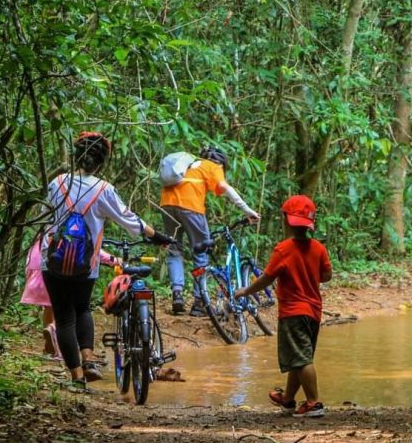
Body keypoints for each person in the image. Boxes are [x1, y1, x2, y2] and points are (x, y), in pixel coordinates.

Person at [43, 132, 175, 388]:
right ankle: (89, 358)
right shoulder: (103, 190)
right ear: (102, 162)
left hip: (53, 263)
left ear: (75, 157)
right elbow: (130, 220)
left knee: (64, 317)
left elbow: (43, 220)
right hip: (85, 266)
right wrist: (158, 236)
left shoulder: (57, 183)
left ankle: (77, 377)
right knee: (82, 308)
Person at [235, 195, 332, 418]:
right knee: (298, 358)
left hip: (293, 312)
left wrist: (245, 291)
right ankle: (288, 399)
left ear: (286, 220)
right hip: (313, 312)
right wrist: (308, 274)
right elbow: (326, 275)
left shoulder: (283, 249)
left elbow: (267, 278)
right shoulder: (318, 249)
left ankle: (313, 403)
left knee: (301, 359)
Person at [160, 146, 260, 315]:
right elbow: (224, 187)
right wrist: (247, 210)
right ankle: (200, 302)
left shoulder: (188, 165)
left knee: (174, 250)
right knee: (201, 250)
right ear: (221, 162)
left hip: (166, 205)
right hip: (190, 207)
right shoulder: (212, 166)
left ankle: (177, 294)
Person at [21, 239, 117, 360]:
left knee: (50, 307)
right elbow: (94, 251)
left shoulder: (44, 235)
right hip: (57, 274)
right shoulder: (70, 235)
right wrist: (114, 260)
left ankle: (50, 344)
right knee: (67, 312)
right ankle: (54, 331)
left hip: (39, 275)